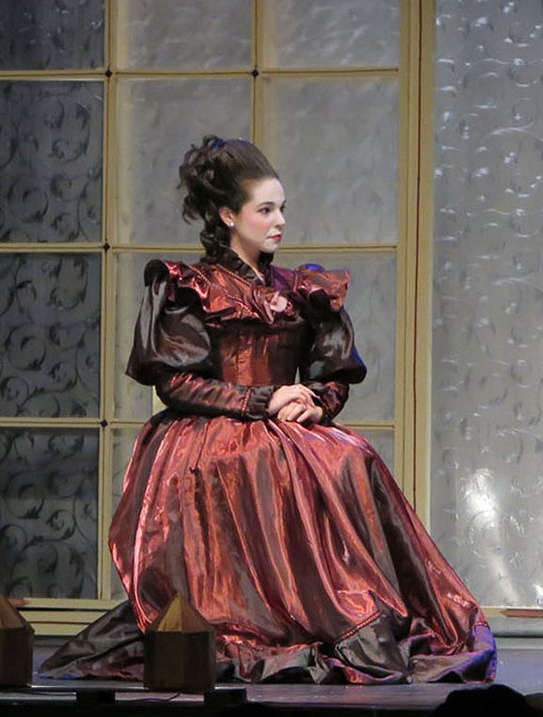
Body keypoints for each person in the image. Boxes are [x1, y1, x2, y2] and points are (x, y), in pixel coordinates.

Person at [41, 135, 495, 683]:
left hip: (286, 423)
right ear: (229, 215)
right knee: (255, 463)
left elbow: (332, 374)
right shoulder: (194, 287)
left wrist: (314, 402)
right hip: (213, 428)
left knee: (350, 457)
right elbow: (175, 382)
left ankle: (352, 613)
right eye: (265, 210)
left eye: (282, 209)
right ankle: (262, 618)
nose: (279, 221)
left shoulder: (300, 289)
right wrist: (261, 400)